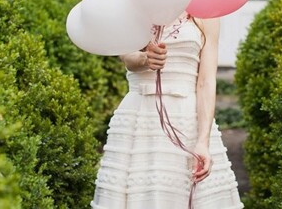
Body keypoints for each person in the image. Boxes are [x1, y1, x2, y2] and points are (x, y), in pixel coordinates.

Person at [90, 13, 244, 209]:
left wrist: (202, 141)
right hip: (140, 117)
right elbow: (127, 56)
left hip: (187, 119)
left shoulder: (206, 13)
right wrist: (145, 58)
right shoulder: (133, 3)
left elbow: (206, 81)